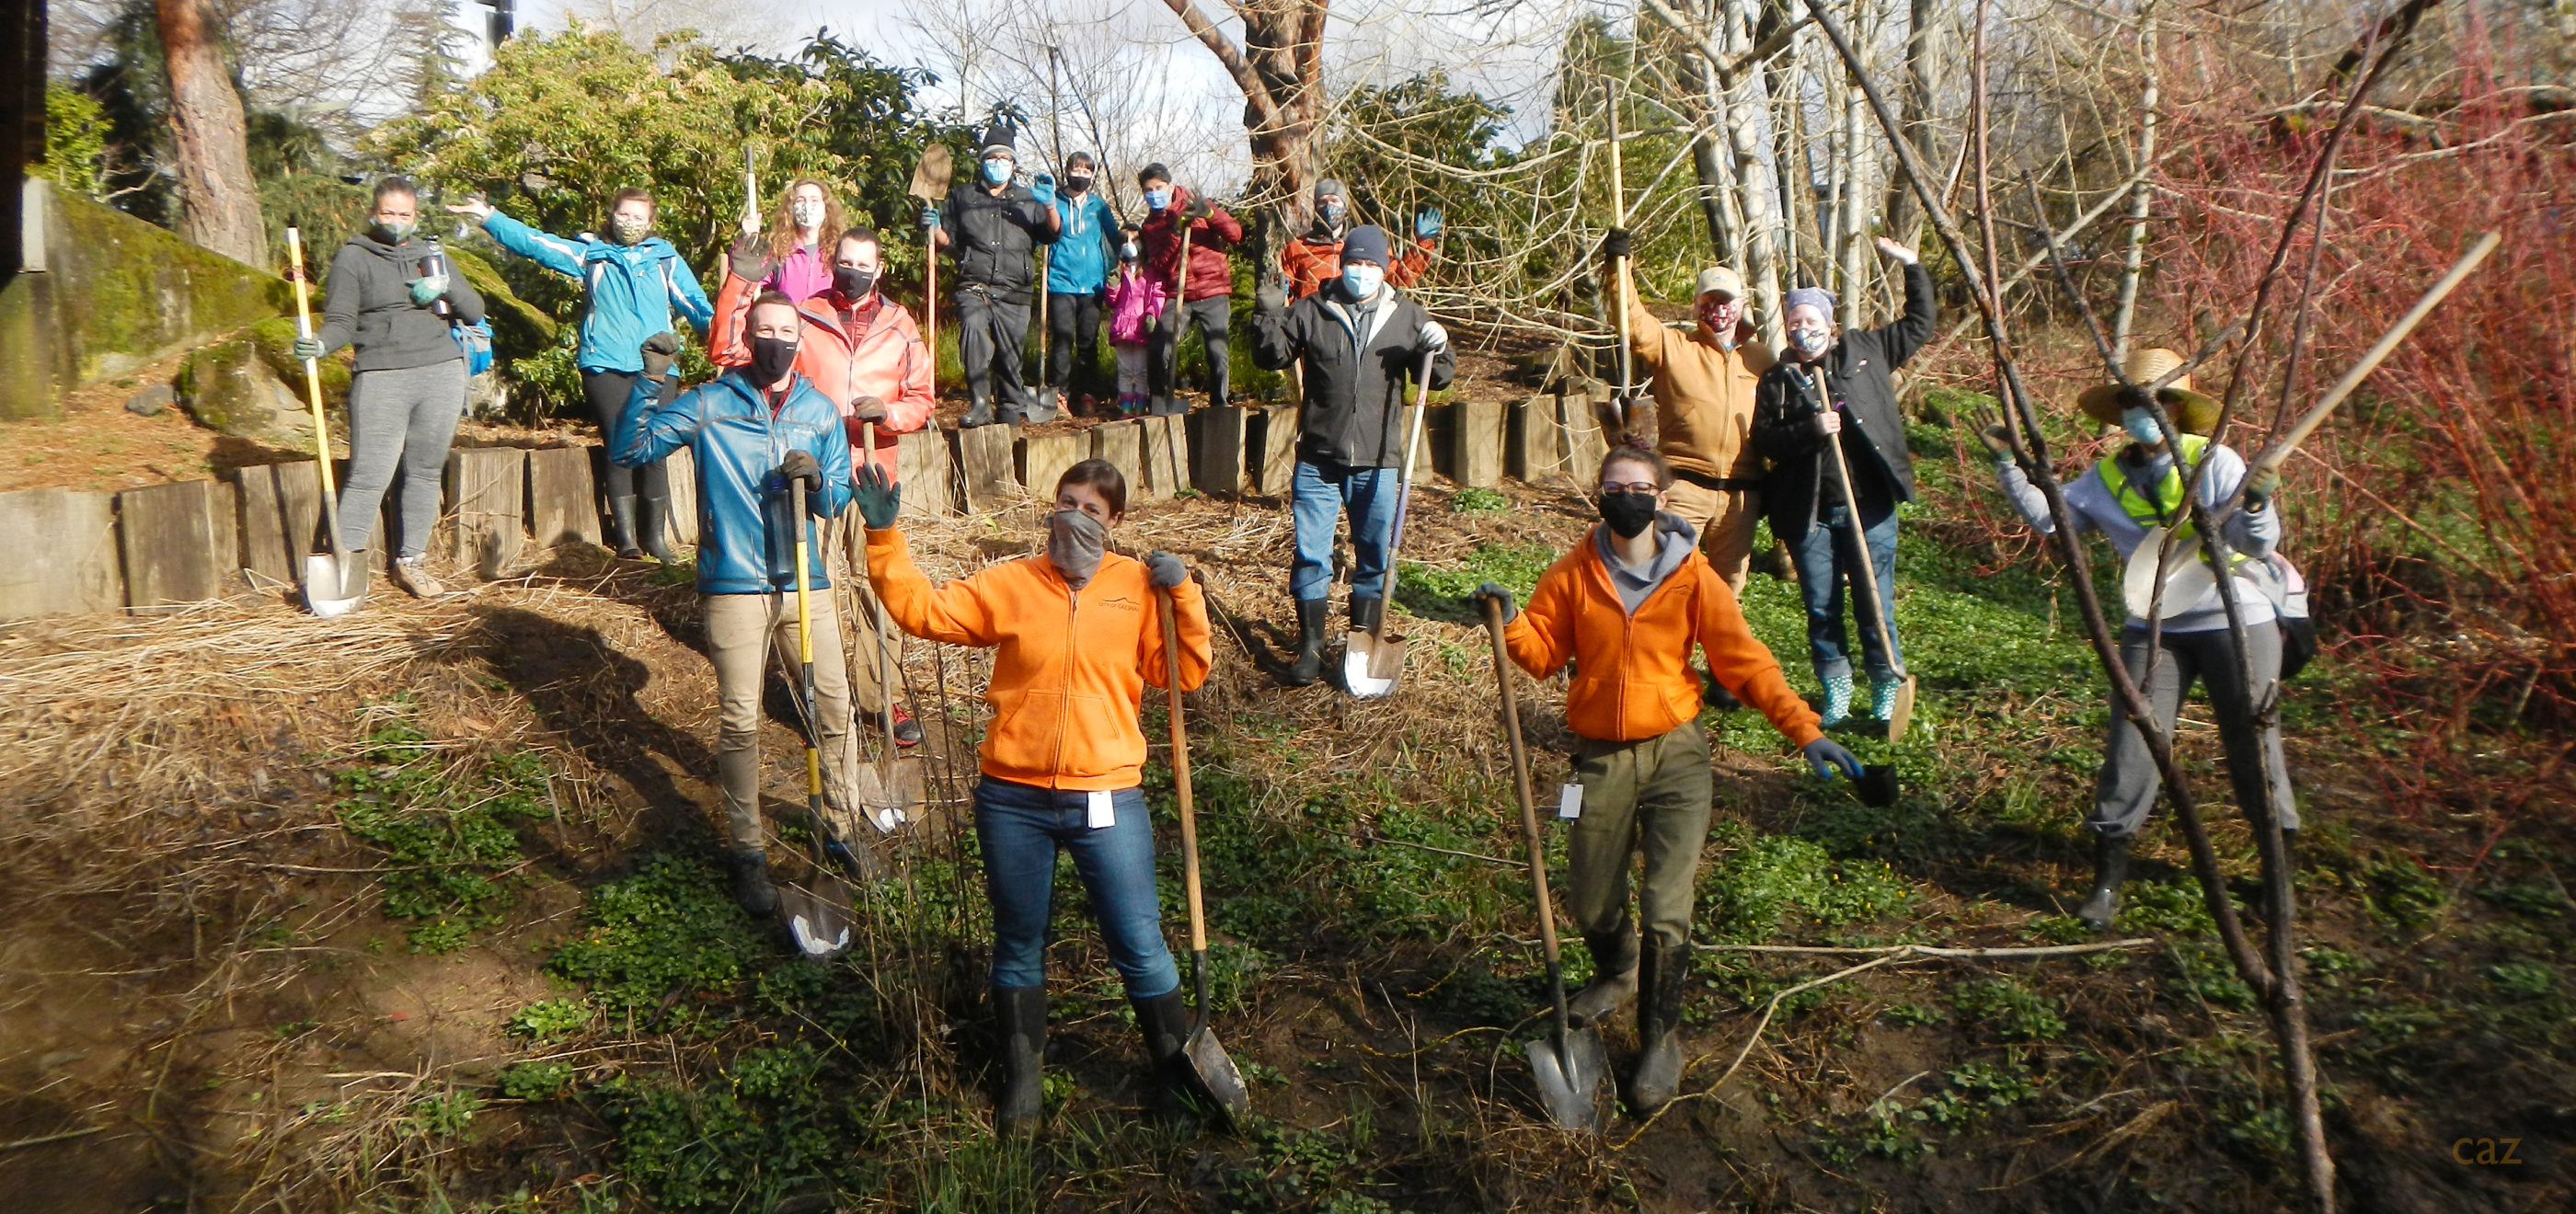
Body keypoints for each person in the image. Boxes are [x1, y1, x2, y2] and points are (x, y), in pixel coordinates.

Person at [1473, 447, 1860, 1115]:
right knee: (1591, 899)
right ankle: (1618, 970)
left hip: (1677, 751)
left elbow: (1744, 662)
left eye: (1640, 487)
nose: (1626, 497)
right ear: (1599, 495)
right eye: (1614, 486)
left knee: (1665, 906)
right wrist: (1511, 623)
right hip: (1601, 755)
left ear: (1661, 497)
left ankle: (1659, 1038)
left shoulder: (1693, 576)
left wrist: (1806, 729)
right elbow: (1542, 655)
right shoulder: (1571, 573)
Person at [854, 456, 1212, 1134]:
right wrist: (884, 538)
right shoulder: (1013, 582)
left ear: (1115, 522)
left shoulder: (1136, 587)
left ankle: (1176, 1073)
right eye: (1066, 502)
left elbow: (1182, 673)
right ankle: (1023, 1086)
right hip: (1013, 798)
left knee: (1138, 940)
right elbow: (923, 611)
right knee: (1018, 941)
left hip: (1106, 794)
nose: (1074, 518)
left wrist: (1184, 596)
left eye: (1092, 510)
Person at [1972, 349, 2296, 931]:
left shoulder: (2215, 461)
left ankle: (2279, 879)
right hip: (2154, 627)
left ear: (2178, 407)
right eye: (2131, 400)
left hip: (2235, 620)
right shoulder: (2106, 477)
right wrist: (2008, 466)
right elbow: (2052, 518)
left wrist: (2257, 502)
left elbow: (2256, 544)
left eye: (2156, 399)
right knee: (2131, 748)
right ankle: (2106, 883)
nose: (2142, 410)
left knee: (2253, 746)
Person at [609, 294, 857, 916]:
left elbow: (836, 498)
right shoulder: (709, 403)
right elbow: (630, 450)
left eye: (786, 330)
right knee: (742, 722)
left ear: (799, 339)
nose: (776, 340)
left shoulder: (819, 411)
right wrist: (651, 381)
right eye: (764, 329)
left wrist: (819, 482)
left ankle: (841, 827)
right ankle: (748, 852)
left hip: (805, 583)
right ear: (748, 336)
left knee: (834, 708)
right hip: (734, 585)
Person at [713, 226, 936, 748]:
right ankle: (824, 697)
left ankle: (881, 695)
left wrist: (889, 414)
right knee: (816, 588)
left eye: (863, 264)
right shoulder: (805, 315)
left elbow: (923, 399)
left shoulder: (901, 325)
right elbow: (729, 352)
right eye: (845, 262)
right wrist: (738, 286)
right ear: (832, 262)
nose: (852, 272)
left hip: (871, 474)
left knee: (876, 587)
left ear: (879, 269)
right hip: (809, 471)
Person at [448, 188, 712, 560]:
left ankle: (656, 538)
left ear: (651, 222)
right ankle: (626, 541)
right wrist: (491, 218)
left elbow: (696, 305)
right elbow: (536, 244)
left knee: (656, 448)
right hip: (605, 364)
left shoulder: (664, 259)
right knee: (619, 447)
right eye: (624, 214)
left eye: (638, 217)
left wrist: (728, 335)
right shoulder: (592, 255)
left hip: (658, 366)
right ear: (612, 215)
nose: (630, 223)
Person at [1249, 226, 1455, 686]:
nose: (1362, 272)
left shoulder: (1406, 317)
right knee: (1311, 555)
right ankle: (1311, 646)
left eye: (1371, 265)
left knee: (1374, 556)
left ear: (1384, 268)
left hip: (1378, 461)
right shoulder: (1313, 310)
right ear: (1343, 265)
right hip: (1318, 459)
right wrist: (1266, 313)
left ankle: (1360, 646)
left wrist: (1439, 348)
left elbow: (1437, 378)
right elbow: (1271, 357)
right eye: (1355, 264)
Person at [1751, 238, 1934, 727]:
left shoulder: (1866, 350)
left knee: (1875, 604)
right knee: (1821, 607)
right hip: (1809, 512)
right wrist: (1811, 429)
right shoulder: (1779, 379)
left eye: (1811, 321)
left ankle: (1886, 685)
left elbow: (1920, 324)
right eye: (1794, 322)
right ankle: (1836, 689)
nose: (1802, 330)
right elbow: (1766, 439)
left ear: (1829, 324)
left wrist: (1913, 267)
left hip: (1869, 507)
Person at [294, 176, 487, 599]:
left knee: (424, 471)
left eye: (404, 214)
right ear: (373, 213)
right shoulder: (353, 258)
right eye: (388, 213)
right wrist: (321, 344)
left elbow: (475, 310)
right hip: (381, 375)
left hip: (441, 371)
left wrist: (444, 285)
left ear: (415, 216)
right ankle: (344, 569)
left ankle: (412, 562)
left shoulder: (432, 254)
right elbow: (341, 321)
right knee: (369, 474)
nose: (396, 221)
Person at [928, 124, 1062, 427]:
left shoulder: (1029, 199)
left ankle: (1010, 413)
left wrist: (1050, 205)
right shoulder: (963, 196)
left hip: (1015, 290)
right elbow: (949, 242)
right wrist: (935, 229)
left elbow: (1052, 234)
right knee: (973, 329)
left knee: (1010, 358)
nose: (998, 164)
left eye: (1004, 158)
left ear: (1014, 164)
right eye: (992, 158)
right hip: (974, 284)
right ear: (982, 162)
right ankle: (979, 403)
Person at [1134, 165, 1243, 415]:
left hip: (1212, 288)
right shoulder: (1150, 226)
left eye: (1159, 188)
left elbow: (1235, 234)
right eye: (1149, 190)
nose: (1154, 194)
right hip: (1179, 291)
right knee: (1159, 346)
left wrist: (1210, 214)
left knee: (1217, 351)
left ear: (1170, 187)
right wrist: (1176, 232)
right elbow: (1161, 262)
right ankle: (1159, 400)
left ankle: (1219, 403)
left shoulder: (1196, 205)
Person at [1042, 151, 1122, 415]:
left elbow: (1115, 237)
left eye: (1087, 171)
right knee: (1062, 340)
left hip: (1092, 285)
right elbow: (1042, 235)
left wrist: (1125, 260)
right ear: (1067, 171)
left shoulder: (1098, 206)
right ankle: (1060, 394)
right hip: (1060, 282)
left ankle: (1088, 392)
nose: (1081, 175)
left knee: (1088, 341)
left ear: (1092, 175)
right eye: (1076, 170)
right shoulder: (1054, 202)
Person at [1279, 178, 1438, 300]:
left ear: (1345, 209)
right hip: (1312, 322)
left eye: (1335, 201)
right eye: (1322, 202)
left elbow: (1399, 277)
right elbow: (1287, 293)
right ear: (1315, 208)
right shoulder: (1298, 248)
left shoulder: (1364, 245)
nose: (1329, 207)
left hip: (1355, 321)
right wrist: (1282, 293)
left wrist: (1423, 244)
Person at [741, 178, 845, 304]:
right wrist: (747, 240)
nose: (807, 206)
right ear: (791, 209)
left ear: (826, 207)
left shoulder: (839, 252)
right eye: (800, 200)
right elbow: (745, 280)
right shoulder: (779, 251)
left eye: (814, 200)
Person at [1104, 229, 1165, 418]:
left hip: (1140, 326)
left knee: (1140, 370)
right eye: (1126, 240)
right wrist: (1112, 285)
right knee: (1124, 370)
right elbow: (1111, 301)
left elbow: (1158, 294)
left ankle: (1139, 408)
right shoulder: (1120, 271)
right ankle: (1126, 409)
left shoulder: (1151, 272)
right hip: (1122, 326)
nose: (1130, 244)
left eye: (1134, 240)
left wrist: (1152, 314)